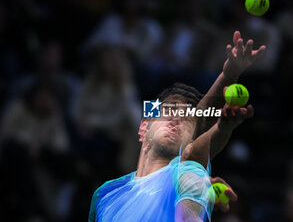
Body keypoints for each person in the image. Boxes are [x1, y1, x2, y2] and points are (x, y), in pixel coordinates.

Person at [88, 31, 265, 221]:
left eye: (186, 120)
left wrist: (228, 78)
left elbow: (199, 141)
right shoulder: (104, 194)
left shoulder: (189, 172)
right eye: (169, 111)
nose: (176, 119)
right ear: (143, 127)